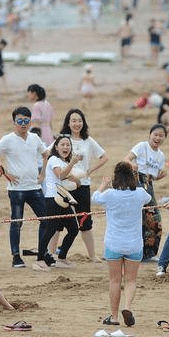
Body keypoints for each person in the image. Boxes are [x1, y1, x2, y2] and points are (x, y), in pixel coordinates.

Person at [92, 162, 151, 327]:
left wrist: (103, 185)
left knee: (114, 281)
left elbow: (94, 198)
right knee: (131, 280)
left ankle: (114, 317)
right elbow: (148, 198)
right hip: (134, 244)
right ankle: (127, 307)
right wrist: (136, 179)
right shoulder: (139, 193)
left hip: (114, 243)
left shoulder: (110, 194)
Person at [0, 106, 48, 268]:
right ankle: (16, 256)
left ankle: (42, 252)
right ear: (14, 122)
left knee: (46, 219)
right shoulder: (7, 140)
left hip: (34, 187)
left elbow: (46, 154)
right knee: (17, 221)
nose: (23, 124)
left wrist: (43, 174)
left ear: (30, 122)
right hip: (16, 189)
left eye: (26, 121)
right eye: (20, 121)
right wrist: (5, 173)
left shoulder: (34, 138)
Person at [57, 108, 108, 262]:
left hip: (83, 185)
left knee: (85, 220)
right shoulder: (62, 139)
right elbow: (48, 154)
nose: (77, 123)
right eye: (73, 120)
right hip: (64, 185)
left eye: (79, 120)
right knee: (57, 221)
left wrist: (90, 170)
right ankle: (51, 254)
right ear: (68, 122)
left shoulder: (88, 140)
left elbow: (104, 157)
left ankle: (92, 255)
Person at [35, 135, 82, 271]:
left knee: (74, 229)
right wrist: (72, 164)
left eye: (68, 145)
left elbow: (75, 181)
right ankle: (40, 259)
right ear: (56, 147)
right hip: (52, 199)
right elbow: (60, 175)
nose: (66, 147)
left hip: (64, 199)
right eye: (62, 144)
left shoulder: (64, 162)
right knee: (50, 230)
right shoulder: (53, 159)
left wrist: (77, 180)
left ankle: (61, 258)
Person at [124, 124, 167, 262]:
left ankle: (148, 253)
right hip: (136, 182)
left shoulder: (161, 155)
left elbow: (154, 176)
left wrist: (162, 175)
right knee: (137, 218)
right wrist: (132, 165)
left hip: (149, 185)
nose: (158, 138)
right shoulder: (142, 146)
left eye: (161, 135)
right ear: (150, 135)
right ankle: (133, 252)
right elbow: (126, 159)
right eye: (155, 134)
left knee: (154, 220)